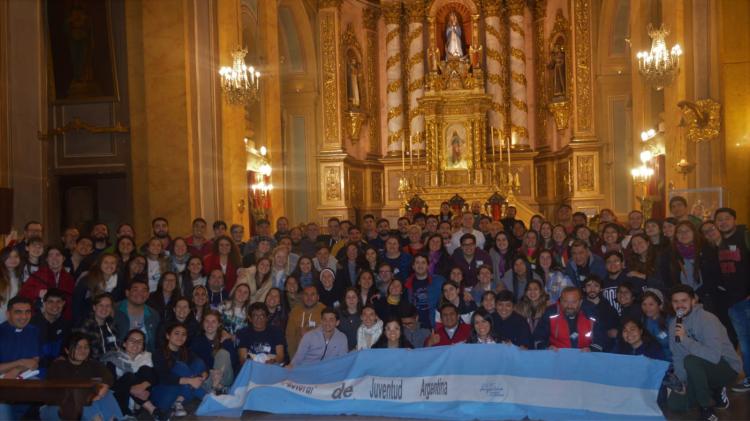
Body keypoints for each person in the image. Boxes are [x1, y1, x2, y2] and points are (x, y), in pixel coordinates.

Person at [668, 285, 741, 420]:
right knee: (675, 404)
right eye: (675, 302)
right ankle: (712, 390)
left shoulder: (707, 319)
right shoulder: (674, 325)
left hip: (725, 367)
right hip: (697, 369)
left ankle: (706, 408)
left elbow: (713, 356)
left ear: (693, 300)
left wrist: (685, 340)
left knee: (691, 361)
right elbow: (678, 356)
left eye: (684, 301)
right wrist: (682, 381)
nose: (679, 305)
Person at [41, 333, 122, 421]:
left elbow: (108, 376)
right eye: (78, 347)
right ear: (67, 350)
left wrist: (102, 390)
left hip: (83, 406)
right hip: (56, 407)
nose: (82, 350)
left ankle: (115, 419)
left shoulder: (92, 364)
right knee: (84, 397)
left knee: (107, 393)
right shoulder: (58, 365)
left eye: (86, 347)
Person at [713, 207, 750, 393]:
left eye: (727, 218)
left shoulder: (745, 237)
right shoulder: (720, 242)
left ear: (734, 220)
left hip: (747, 298)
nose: (723, 222)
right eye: (719, 219)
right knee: (744, 341)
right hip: (733, 301)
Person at [104, 329, 167, 421]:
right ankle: (152, 409)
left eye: (139, 341)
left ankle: (138, 409)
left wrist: (142, 386)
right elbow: (111, 385)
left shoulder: (148, 357)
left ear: (143, 346)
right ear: (124, 343)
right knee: (129, 376)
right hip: (120, 400)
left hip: (143, 396)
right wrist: (131, 389)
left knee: (146, 369)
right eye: (132, 340)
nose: (136, 344)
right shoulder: (113, 359)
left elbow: (158, 376)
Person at [151, 323, 211, 417]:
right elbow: (163, 378)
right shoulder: (158, 353)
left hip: (182, 393)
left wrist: (205, 374)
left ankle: (179, 402)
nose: (180, 337)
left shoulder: (186, 351)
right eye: (177, 333)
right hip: (165, 394)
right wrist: (190, 380)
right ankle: (206, 397)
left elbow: (203, 366)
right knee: (180, 366)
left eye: (184, 334)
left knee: (199, 362)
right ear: (168, 336)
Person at [533, 286, 604, 351]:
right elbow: (538, 338)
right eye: (565, 302)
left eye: (574, 302)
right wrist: (546, 348)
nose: (569, 306)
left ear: (580, 302)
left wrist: (591, 349)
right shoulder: (550, 313)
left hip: (585, 359)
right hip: (557, 359)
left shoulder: (591, 315)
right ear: (560, 300)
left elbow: (601, 340)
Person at [19, 246, 76, 321]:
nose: (54, 258)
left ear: (63, 258)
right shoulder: (37, 275)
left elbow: (72, 302)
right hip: (40, 318)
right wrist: (37, 292)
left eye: (58, 255)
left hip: (62, 320)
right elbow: (22, 294)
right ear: (47, 259)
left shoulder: (70, 279)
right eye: (50, 255)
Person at [189, 310, 237, 394]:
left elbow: (232, 362)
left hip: (224, 377)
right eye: (207, 321)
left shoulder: (225, 340)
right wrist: (209, 371)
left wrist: (218, 372)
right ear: (202, 324)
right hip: (207, 377)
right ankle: (218, 388)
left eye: (213, 322)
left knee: (223, 353)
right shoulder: (196, 341)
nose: (210, 324)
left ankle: (216, 387)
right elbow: (195, 362)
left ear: (219, 324)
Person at [72, 253, 123, 324]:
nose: (109, 265)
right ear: (99, 264)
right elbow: (76, 302)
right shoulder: (87, 279)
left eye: (113, 263)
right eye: (106, 262)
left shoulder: (119, 280)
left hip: (107, 321)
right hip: (85, 319)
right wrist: (78, 321)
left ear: (116, 266)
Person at [114, 279, 161, 353]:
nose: (140, 293)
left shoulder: (154, 314)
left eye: (144, 291)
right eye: (135, 290)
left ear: (148, 294)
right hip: (118, 356)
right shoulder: (114, 310)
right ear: (127, 293)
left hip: (146, 358)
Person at [31, 289, 71, 369]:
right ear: (44, 303)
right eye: (50, 302)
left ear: (63, 303)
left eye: (58, 302)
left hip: (57, 369)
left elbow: (66, 349)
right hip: (36, 369)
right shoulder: (33, 323)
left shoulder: (66, 325)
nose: (55, 305)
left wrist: (63, 357)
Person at [404, 254, 445, 329]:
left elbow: (452, 291)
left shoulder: (439, 281)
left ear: (428, 266)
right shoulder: (407, 283)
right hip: (415, 326)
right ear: (413, 266)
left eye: (423, 262)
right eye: (417, 262)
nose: (420, 265)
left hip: (435, 325)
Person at [286, 285, 326, 359]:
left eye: (312, 294)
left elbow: (328, 335)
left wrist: (310, 333)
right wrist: (294, 360)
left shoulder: (324, 311)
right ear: (302, 297)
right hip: (297, 358)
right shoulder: (295, 312)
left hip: (319, 358)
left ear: (318, 297)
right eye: (306, 294)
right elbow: (290, 337)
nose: (309, 297)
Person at [581, 275, 619, 352]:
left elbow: (615, 328)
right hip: (585, 348)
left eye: (596, 286)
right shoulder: (579, 307)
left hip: (607, 349)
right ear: (584, 289)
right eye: (589, 285)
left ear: (601, 289)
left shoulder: (608, 308)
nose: (592, 289)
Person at [641, 289, 672, 361]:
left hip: (670, 361)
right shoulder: (644, 320)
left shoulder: (670, 321)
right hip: (653, 360)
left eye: (651, 304)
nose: (647, 308)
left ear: (660, 305)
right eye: (644, 304)